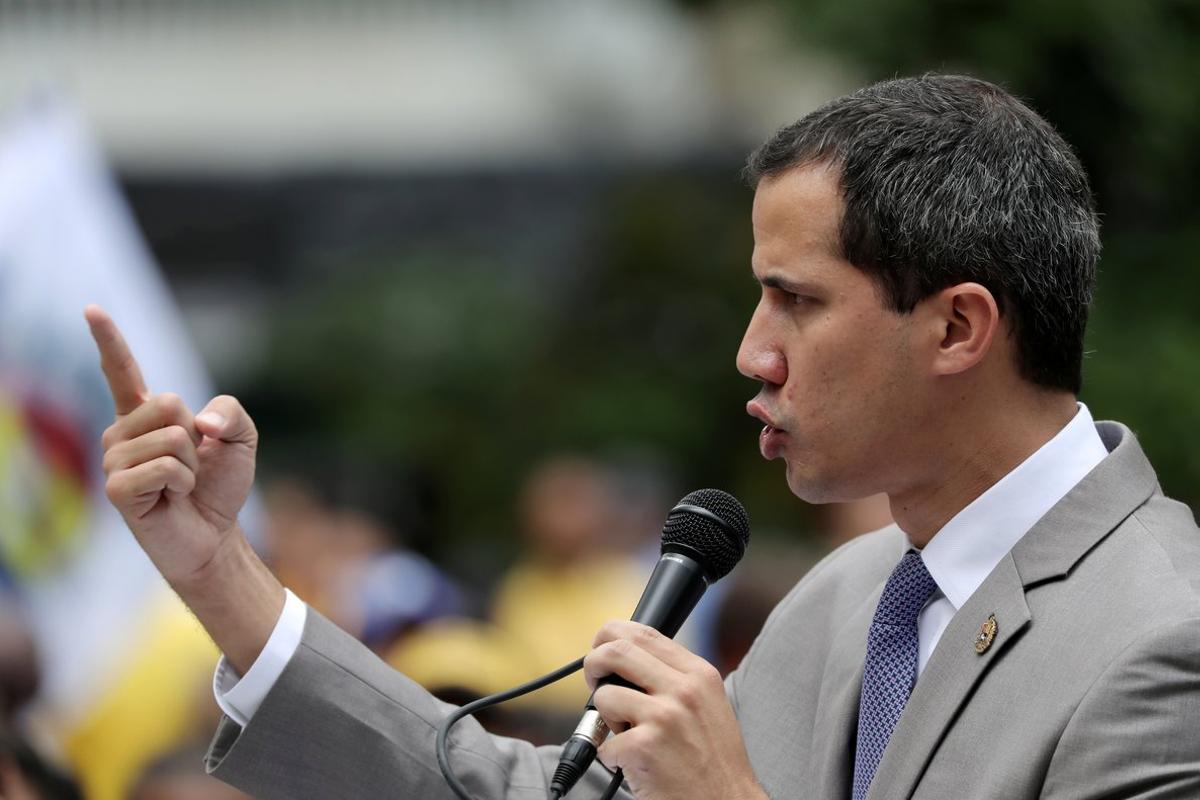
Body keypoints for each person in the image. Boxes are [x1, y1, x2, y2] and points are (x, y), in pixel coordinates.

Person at [86, 73, 1200, 799]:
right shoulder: (853, 594)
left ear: (958, 325)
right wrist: (216, 569)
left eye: (797, 301)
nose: (752, 353)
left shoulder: (1162, 638)